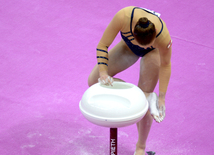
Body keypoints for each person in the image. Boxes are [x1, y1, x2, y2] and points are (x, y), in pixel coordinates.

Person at [88, 6, 172, 155]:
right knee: (94, 81)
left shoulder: (163, 37)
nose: (143, 46)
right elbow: (102, 45)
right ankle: (138, 93)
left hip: (152, 54)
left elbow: (166, 65)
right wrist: (103, 72)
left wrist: (162, 97)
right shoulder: (123, 16)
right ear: (133, 32)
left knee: (145, 101)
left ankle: (140, 147)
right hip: (127, 47)